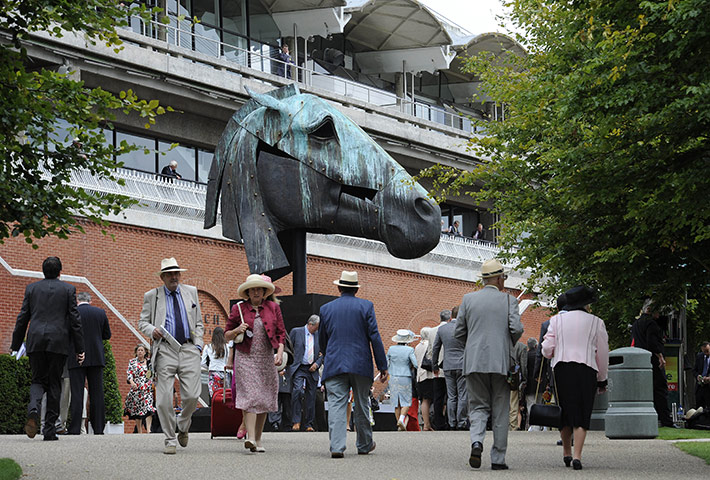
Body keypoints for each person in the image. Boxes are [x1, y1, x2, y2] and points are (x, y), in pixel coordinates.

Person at [455, 259, 523, 471]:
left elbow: (459, 332)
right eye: (504, 277)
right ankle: (498, 459)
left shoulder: (468, 299)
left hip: (473, 361)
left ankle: (477, 441)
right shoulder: (509, 301)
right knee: (501, 409)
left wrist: (474, 345)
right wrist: (505, 345)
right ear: (498, 278)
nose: (504, 281)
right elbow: (516, 329)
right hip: (500, 362)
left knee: (477, 406)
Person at [11, 256, 85, 441]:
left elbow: (23, 317)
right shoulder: (69, 289)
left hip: (35, 340)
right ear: (60, 272)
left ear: (43, 271)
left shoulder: (32, 289)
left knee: (37, 380)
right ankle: (50, 429)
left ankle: (34, 408)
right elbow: (75, 321)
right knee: (54, 383)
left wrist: (16, 344)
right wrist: (79, 348)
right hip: (58, 342)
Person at [319, 271, 388, 458]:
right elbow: (375, 337)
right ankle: (364, 443)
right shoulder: (366, 306)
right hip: (360, 363)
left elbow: (322, 340)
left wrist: (328, 355)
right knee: (362, 403)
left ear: (339, 287)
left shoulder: (326, 309)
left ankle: (336, 446)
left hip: (335, 363)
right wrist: (382, 365)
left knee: (336, 405)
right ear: (356, 289)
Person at [138, 257, 203, 455]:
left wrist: (199, 346)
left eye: (177, 273)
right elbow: (143, 322)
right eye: (170, 274)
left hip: (188, 349)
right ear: (163, 277)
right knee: (164, 398)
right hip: (164, 350)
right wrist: (152, 330)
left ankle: (183, 425)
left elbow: (198, 322)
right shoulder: (152, 296)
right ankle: (169, 438)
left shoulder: (191, 292)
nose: (174, 277)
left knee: (192, 395)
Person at [542, 285, 609, 470]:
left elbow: (547, 350)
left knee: (565, 409)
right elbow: (602, 354)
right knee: (582, 410)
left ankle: (566, 452)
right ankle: (578, 455)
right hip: (586, 368)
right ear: (586, 304)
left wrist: (552, 351)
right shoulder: (597, 322)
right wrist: (602, 378)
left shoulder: (555, 321)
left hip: (562, 367)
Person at [225, 274, 286, 453]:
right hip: (245, 357)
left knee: (265, 397)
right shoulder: (239, 308)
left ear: (265, 291)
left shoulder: (273, 308)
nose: (256, 292)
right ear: (247, 292)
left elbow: (281, 333)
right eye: (252, 289)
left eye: (259, 289)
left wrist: (280, 352)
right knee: (251, 396)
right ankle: (250, 437)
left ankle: (258, 439)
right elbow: (227, 334)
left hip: (266, 357)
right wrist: (237, 329)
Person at [68, 292, 112, 435]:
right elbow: (107, 335)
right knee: (97, 394)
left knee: (77, 393)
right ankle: (98, 428)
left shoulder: (72, 313)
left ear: (77, 300)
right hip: (96, 356)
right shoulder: (100, 313)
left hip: (76, 356)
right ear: (90, 300)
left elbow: (67, 333)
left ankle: (74, 428)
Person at [631, 299, 675, 428]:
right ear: (650, 310)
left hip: (641, 361)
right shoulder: (652, 324)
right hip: (653, 361)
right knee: (660, 390)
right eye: (657, 311)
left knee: (644, 390)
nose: (659, 314)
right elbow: (652, 343)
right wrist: (660, 356)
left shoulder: (636, 324)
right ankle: (665, 420)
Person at [432, 306, 468, 430]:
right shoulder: (465, 329)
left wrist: (435, 366)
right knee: (463, 394)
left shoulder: (442, 329)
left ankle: (452, 422)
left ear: (451, 316)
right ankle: (461, 422)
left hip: (448, 365)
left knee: (451, 396)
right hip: (463, 365)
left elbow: (435, 348)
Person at [288, 314, 323, 432]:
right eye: (316, 327)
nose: (317, 329)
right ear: (310, 324)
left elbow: (323, 353)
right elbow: (289, 347)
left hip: (312, 369)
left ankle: (308, 424)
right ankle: (296, 421)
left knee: (311, 396)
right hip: (299, 367)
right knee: (297, 391)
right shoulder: (296, 332)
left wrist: (317, 364)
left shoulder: (319, 335)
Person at [387, 329, 418, 431]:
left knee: (396, 402)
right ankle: (401, 419)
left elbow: (386, 363)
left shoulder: (391, 349)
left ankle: (399, 424)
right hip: (405, 376)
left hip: (393, 376)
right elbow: (416, 364)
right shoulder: (409, 350)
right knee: (406, 401)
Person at [125, 344, 155, 433]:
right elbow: (129, 374)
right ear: (136, 352)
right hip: (136, 388)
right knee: (138, 410)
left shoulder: (149, 362)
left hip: (147, 388)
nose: (140, 352)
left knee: (149, 408)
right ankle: (139, 430)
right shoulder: (132, 362)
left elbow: (152, 374)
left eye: (142, 350)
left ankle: (149, 429)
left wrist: (151, 381)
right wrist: (132, 382)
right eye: (138, 350)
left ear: (145, 352)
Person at [430, 309, 450, 430]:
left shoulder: (432, 331)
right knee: (450, 396)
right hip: (449, 365)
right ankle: (449, 420)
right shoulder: (452, 329)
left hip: (436, 369)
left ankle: (438, 422)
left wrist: (434, 365)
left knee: (437, 397)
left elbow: (431, 350)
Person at [414, 327, 436, 431]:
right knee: (429, 400)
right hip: (428, 375)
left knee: (423, 400)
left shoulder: (418, 346)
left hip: (419, 376)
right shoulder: (429, 345)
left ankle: (426, 424)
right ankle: (429, 424)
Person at [201, 326, 231, 398]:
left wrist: (209, 367)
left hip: (213, 373)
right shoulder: (227, 347)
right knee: (225, 396)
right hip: (225, 372)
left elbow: (202, 363)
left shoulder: (208, 347)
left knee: (215, 397)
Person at [509, 340, 527, 430]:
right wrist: (524, 379)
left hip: (500, 377)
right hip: (513, 378)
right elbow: (523, 365)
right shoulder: (521, 347)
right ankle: (513, 426)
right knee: (513, 403)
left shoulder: (501, 343)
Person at [523, 337, 538, 429]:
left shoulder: (526, 355)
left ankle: (533, 425)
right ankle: (540, 425)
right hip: (540, 383)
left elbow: (524, 369)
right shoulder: (540, 355)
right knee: (539, 403)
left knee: (530, 404)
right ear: (536, 345)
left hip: (529, 384)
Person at [694, 342, 710, 410]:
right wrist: (697, 376)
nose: (706, 353)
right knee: (699, 409)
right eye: (704, 351)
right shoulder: (699, 356)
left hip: (709, 386)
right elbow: (694, 370)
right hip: (700, 386)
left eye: (707, 351)